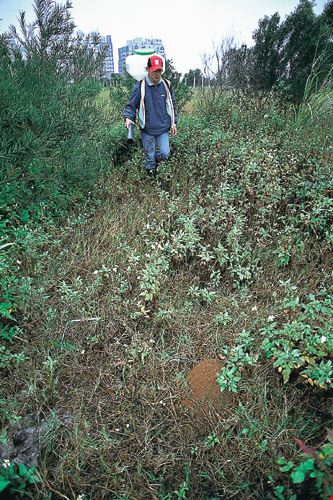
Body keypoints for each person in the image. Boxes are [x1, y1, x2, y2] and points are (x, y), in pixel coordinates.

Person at [123, 54, 178, 177]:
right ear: (148, 70)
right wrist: (128, 118)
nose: (157, 74)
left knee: (165, 154)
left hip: (163, 128)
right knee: (149, 156)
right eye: (154, 71)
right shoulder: (140, 86)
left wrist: (174, 122)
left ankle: (156, 163)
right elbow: (131, 106)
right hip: (147, 129)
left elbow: (173, 104)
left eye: (159, 71)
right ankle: (152, 181)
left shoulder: (167, 85)